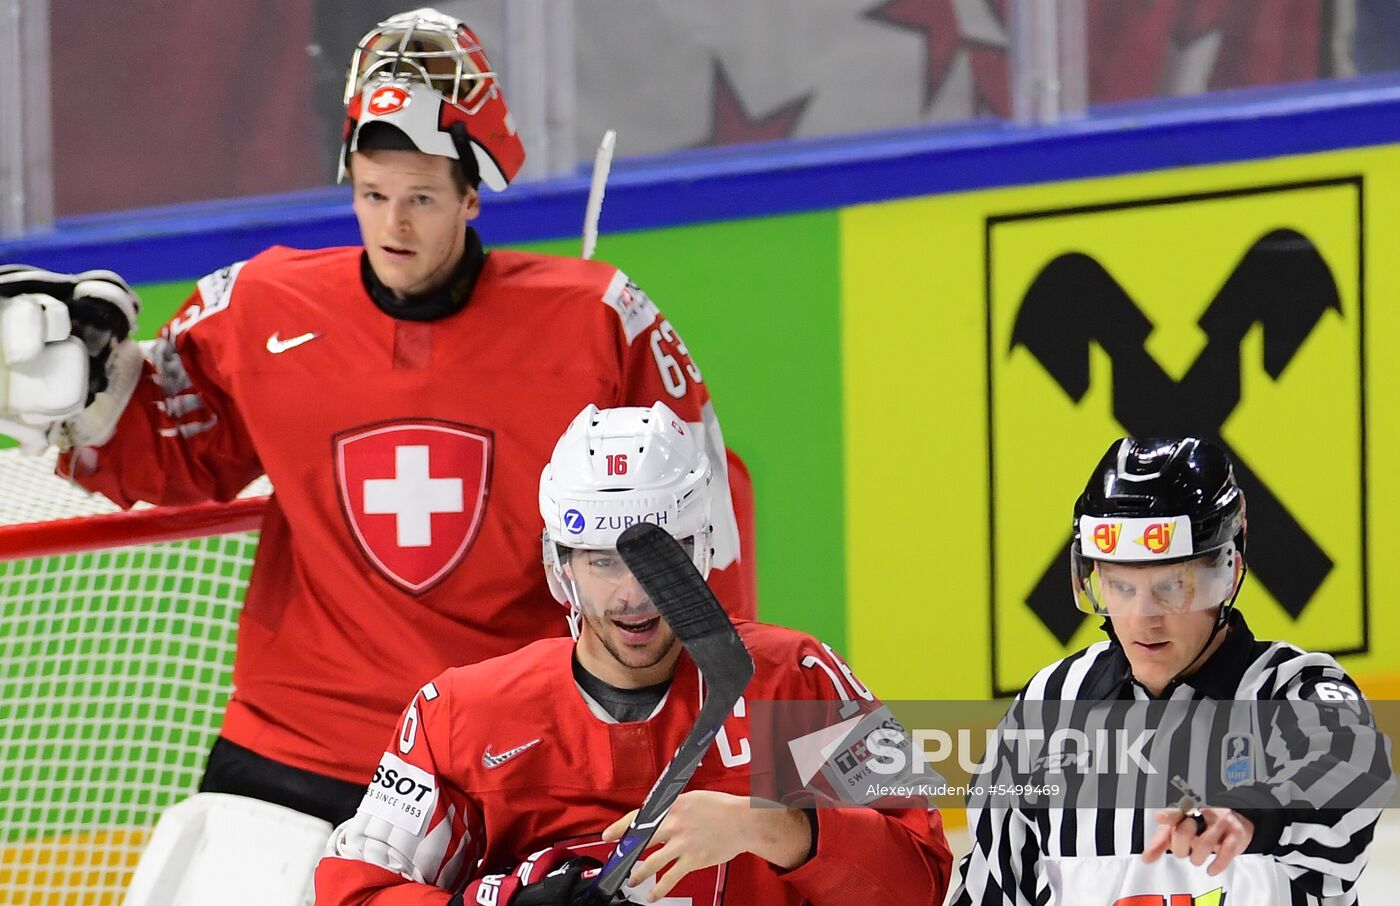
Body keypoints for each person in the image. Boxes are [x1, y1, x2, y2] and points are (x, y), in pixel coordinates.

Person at [0, 7, 747, 843]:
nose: (393, 226)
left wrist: (721, 736)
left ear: (471, 197)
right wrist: (88, 406)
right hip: (294, 739)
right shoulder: (259, 305)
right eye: (373, 195)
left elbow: (705, 519)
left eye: (421, 198)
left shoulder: (596, 321)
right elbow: (177, 459)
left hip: (506, 740)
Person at [314, 402, 953, 904]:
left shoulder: (794, 682)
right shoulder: (462, 716)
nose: (633, 595)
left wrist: (770, 827)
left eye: (659, 557)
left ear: (701, 550)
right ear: (560, 566)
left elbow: (923, 882)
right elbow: (352, 894)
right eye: (602, 562)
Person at [951, 437, 1392, 906]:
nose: (1143, 617)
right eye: (1120, 586)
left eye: (1171, 587)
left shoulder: (1291, 690)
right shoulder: (1048, 706)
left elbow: (1352, 762)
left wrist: (1254, 810)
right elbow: (989, 889)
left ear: (1228, 572)